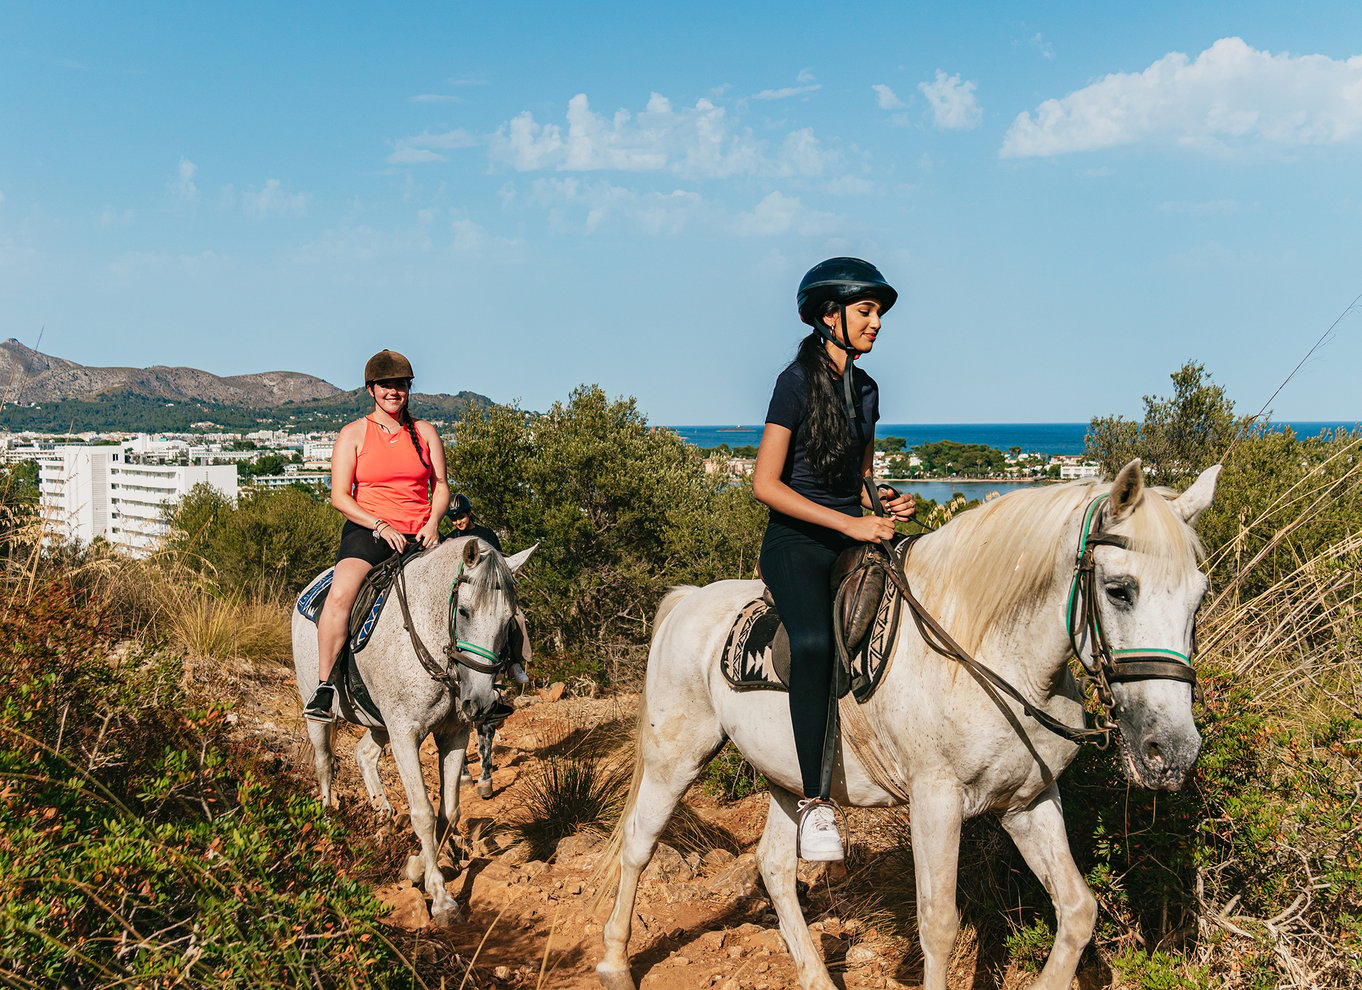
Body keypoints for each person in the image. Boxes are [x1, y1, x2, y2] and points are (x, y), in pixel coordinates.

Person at [751, 258, 916, 861]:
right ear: (830, 316)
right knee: (816, 644)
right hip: (795, 542)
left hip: (854, 533)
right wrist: (849, 521)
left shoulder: (867, 390)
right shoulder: (793, 383)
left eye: (879, 313)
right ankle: (816, 804)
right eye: (866, 311)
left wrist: (884, 499)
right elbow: (765, 484)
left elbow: (863, 474)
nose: (877, 323)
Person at [304, 349, 450, 722]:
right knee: (341, 594)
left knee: (476, 586)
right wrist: (379, 524)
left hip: (421, 532)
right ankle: (324, 687)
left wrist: (433, 522)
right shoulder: (353, 434)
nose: (393, 391)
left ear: (408, 389)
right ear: (371, 389)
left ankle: (491, 679)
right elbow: (340, 496)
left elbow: (441, 485)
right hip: (369, 531)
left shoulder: (426, 433)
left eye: (400, 385)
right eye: (386, 385)